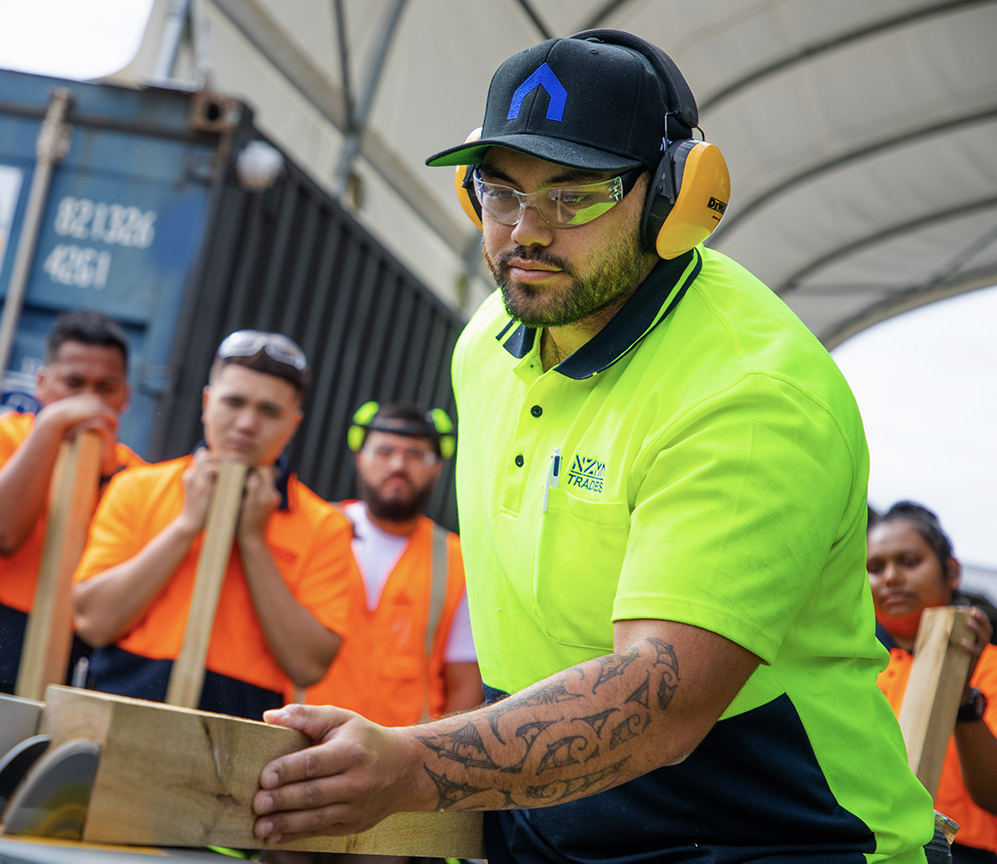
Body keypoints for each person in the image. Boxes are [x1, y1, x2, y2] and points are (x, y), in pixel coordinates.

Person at [249, 30, 936, 861]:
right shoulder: (488, 344)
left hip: (772, 839)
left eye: (575, 195)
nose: (527, 232)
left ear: (675, 200)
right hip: (551, 828)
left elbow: (662, 699)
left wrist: (412, 764)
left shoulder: (752, 392)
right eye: (500, 193)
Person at [72, 330, 363, 720]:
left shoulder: (325, 526)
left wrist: (254, 543)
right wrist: (187, 525)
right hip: (116, 711)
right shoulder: (137, 487)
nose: (246, 423)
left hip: (238, 737)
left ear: (293, 424)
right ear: (207, 403)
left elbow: (308, 666)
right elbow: (93, 623)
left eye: (269, 411)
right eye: (234, 402)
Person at [0, 310, 144, 693]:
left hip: (61, 686)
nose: (88, 401)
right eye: (73, 383)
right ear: (42, 384)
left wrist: (100, 476)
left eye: (106, 388)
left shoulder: (136, 479)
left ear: (125, 397)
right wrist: (51, 427)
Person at [301, 401, 480, 725]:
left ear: (437, 467)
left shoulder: (459, 562)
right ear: (360, 457)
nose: (398, 464)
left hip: (400, 762)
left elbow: (465, 684)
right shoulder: (311, 529)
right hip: (299, 737)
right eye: (384, 451)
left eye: (414, 455)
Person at [870, 502, 996, 863]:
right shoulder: (862, 668)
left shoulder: (990, 668)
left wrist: (962, 703)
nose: (890, 578)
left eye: (908, 562)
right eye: (874, 568)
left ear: (952, 571)